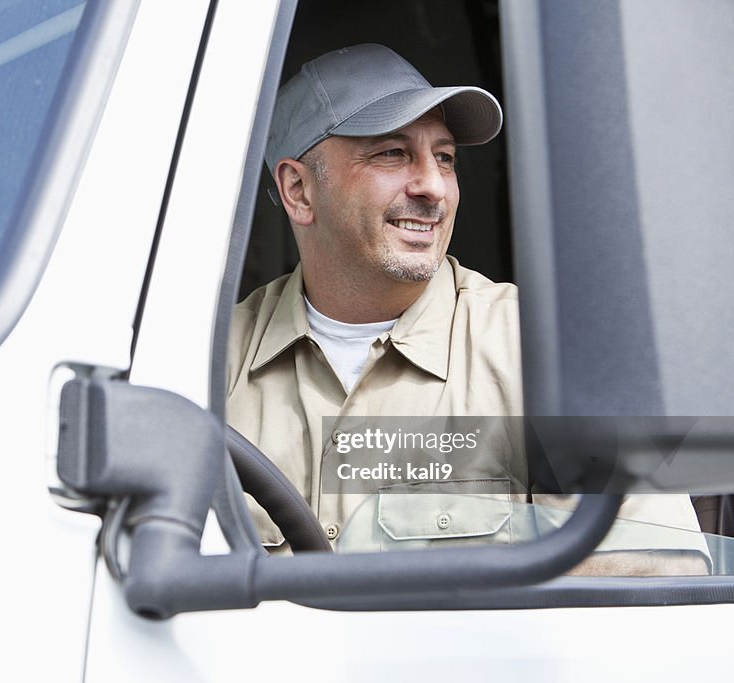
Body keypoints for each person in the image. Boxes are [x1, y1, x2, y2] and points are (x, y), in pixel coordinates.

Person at [226, 44, 707, 574]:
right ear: (298, 190)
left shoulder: (547, 350)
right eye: (392, 153)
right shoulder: (204, 363)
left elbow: (658, 585)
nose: (433, 186)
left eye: (445, 158)